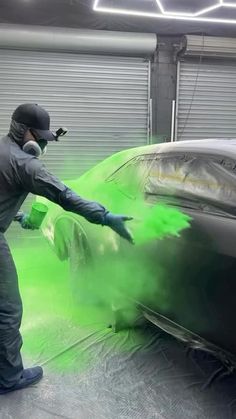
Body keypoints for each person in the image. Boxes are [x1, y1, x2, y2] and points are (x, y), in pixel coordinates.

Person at [0, 103, 133, 395]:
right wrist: (105, 217)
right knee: (8, 311)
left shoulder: (3, 149)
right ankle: (9, 378)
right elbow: (65, 195)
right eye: (42, 138)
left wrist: (15, 215)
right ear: (25, 132)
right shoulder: (26, 164)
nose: (45, 144)